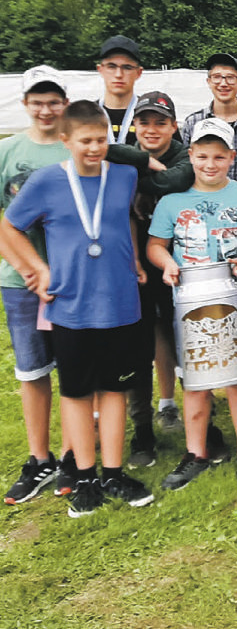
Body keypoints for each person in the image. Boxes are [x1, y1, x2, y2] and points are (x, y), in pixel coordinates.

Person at [0, 100, 154, 517]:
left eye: (101, 140)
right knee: (76, 391)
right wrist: (35, 270)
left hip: (120, 302)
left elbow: (125, 219)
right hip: (70, 306)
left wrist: (136, 260)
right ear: (66, 140)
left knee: (115, 387)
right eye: (85, 141)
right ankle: (84, 475)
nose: (94, 148)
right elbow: (8, 227)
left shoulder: (122, 176)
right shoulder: (47, 181)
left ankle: (114, 472)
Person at [147, 118, 237, 489]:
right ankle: (194, 451)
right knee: (194, 378)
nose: (210, 164)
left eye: (218, 157)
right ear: (191, 156)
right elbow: (155, 245)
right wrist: (166, 264)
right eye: (202, 156)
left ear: (232, 156)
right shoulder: (172, 202)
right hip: (189, 302)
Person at [105, 90, 197, 469]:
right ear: (134, 126)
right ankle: (142, 427)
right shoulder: (127, 153)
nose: (152, 129)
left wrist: (140, 169)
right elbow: (98, 149)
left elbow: (170, 183)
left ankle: (197, 422)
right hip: (134, 267)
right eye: (144, 122)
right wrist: (142, 158)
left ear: (175, 126)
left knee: (188, 343)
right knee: (137, 347)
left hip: (180, 265)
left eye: (161, 122)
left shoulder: (184, 157)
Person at [0, 67, 74, 504]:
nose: (46, 109)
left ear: (64, 103)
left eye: (53, 101)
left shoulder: (71, 150)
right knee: (32, 370)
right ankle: (38, 456)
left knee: (71, 369)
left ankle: (70, 454)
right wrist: (27, 268)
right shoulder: (8, 151)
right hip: (20, 281)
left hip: (69, 280)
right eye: (37, 101)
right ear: (25, 104)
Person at [178, 53, 237, 184]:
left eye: (230, 78)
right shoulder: (194, 122)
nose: (223, 83)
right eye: (217, 77)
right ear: (208, 82)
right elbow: (186, 167)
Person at [96, 35, 143, 146]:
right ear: (100, 70)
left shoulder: (153, 114)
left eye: (127, 67)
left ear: (139, 73)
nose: (118, 75)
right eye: (111, 66)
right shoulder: (86, 115)